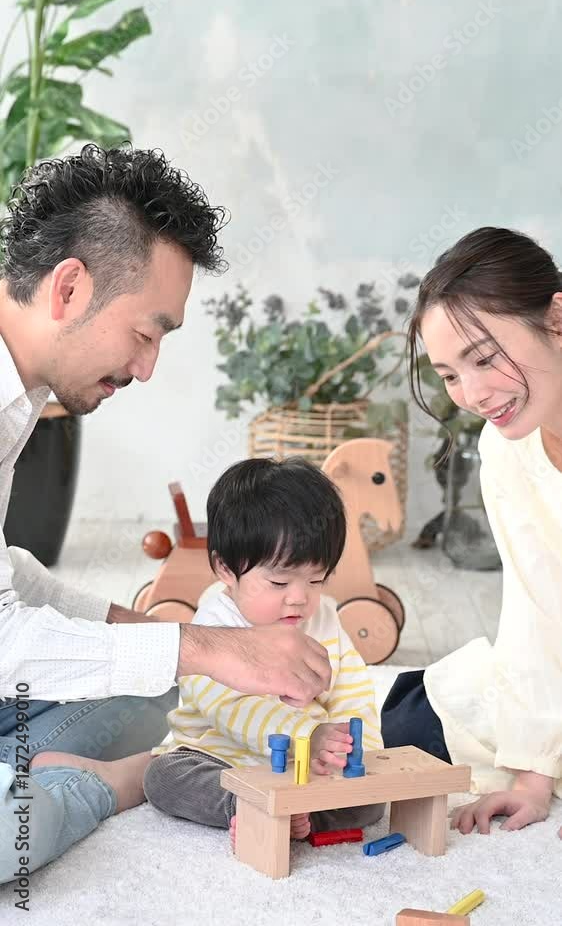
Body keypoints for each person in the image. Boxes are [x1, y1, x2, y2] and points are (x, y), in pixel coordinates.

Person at [0, 145, 331, 884]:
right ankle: (98, 786)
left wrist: (172, 637)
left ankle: (45, 773)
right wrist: (210, 648)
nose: (146, 368)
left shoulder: (15, 401)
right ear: (69, 288)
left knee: (162, 692)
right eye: (146, 334)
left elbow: (8, 574)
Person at [381, 226, 562, 836]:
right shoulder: (507, 448)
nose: (474, 394)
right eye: (450, 375)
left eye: (484, 358)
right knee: (410, 719)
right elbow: (537, 605)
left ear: (556, 318)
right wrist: (532, 778)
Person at [142, 457, 384, 842]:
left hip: (304, 770)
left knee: (371, 802)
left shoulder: (324, 619)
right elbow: (230, 709)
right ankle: (245, 805)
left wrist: (358, 754)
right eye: (279, 583)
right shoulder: (212, 627)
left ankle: (298, 816)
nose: (299, 598)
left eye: (316, 580)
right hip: (222, 758)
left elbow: (353, 692)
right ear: (225, 569)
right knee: (163, 777)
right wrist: (308, 735)